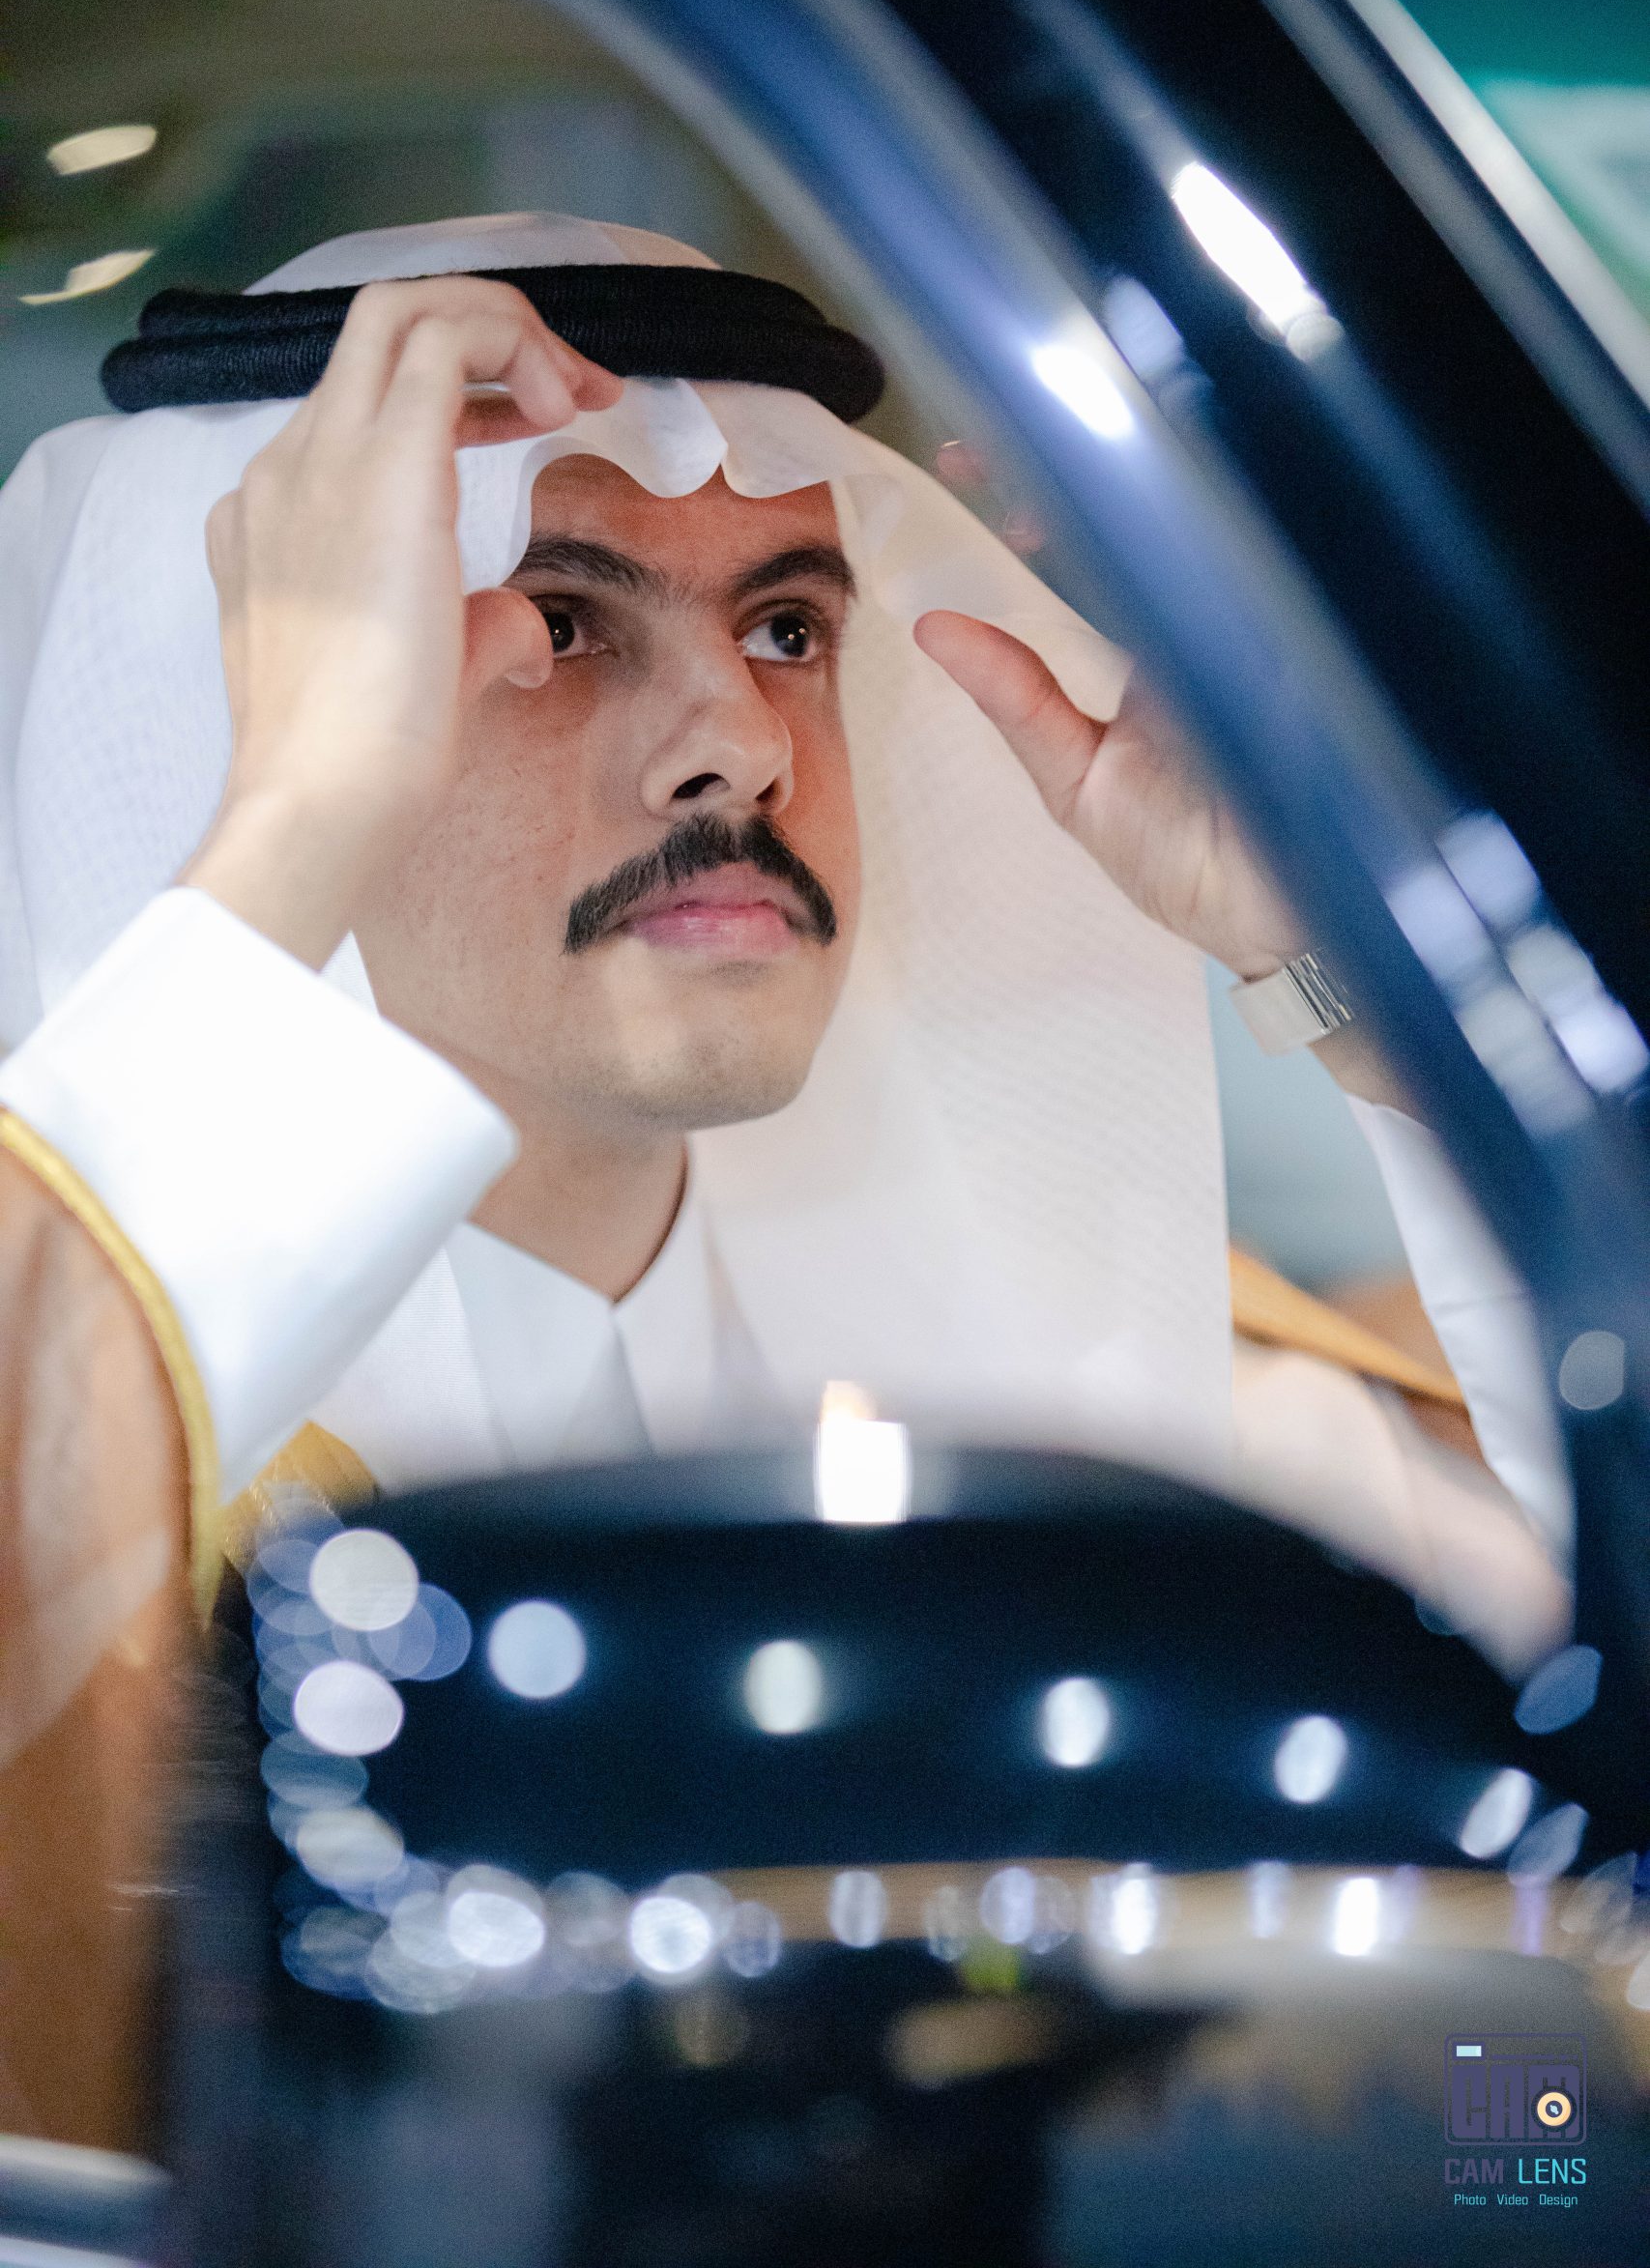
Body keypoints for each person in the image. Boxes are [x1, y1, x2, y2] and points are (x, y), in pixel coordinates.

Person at [0, 215, 1565, 2140]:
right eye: (555, 624)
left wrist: (1349, 984)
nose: (736, 747)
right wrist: (295, 816)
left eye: (787, 629)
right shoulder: (87, 1443)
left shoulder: (1072, 1398)